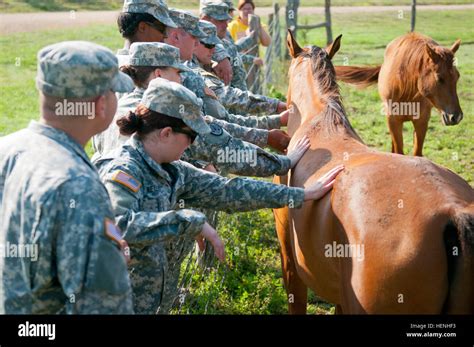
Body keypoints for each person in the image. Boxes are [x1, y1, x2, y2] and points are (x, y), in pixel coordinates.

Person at [94, 78, 345, 314]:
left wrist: (301, 194)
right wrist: (189, 220)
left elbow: (229, 191)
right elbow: (116, 226)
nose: (192, 144)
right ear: (166, 133)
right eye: (190, 136)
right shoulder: (124, 171)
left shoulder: (172, 169)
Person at [0, 41, 135, 314]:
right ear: (100, 104)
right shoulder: (77, 185)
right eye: (114, 91)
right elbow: (102, 307)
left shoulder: (7, 148)